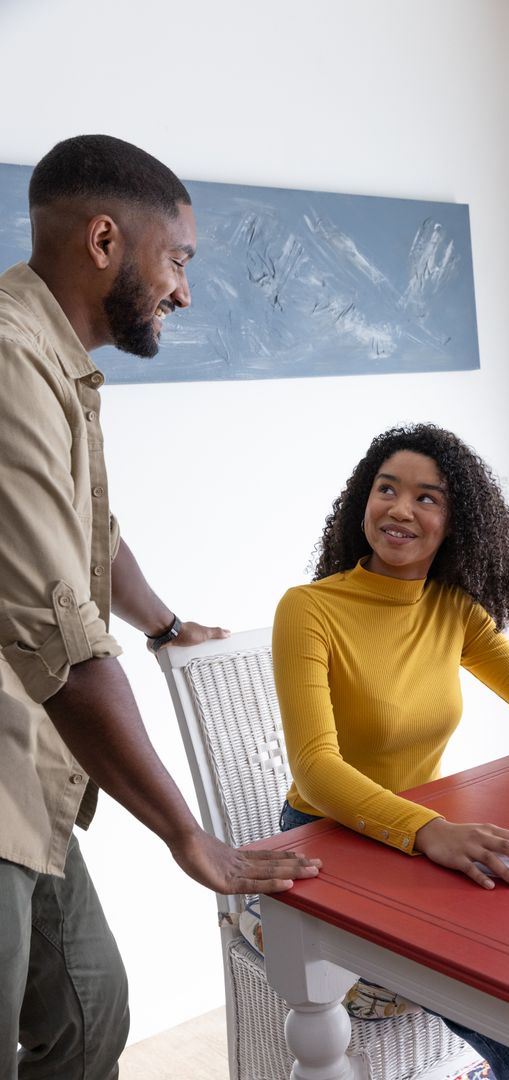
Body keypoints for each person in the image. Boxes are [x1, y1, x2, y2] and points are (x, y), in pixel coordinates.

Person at [0, 135, 320, 1080]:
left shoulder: (55, 361)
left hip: (33, 776)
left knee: (92, 1016)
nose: (183, 291)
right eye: (176, 260)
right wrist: (194, 839)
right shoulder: (11, 361)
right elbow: (63, 640)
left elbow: (88, 539)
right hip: (11, 759)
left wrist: (166, 624)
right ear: (105, 239)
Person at [272, 422, 509, 1080]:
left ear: (456, 522)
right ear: (363, 500)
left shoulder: (451, 608)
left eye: (428, 498)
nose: (400, 508)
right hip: (330, 836)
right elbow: (317, 770)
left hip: (424, 828)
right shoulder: (309, 609)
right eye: (386, 488)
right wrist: (430, 832)